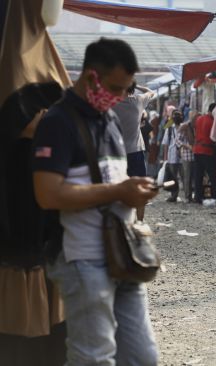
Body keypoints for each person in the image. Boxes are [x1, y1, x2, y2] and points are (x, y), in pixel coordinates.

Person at [31, 38, 159, 364]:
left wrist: (133, 189)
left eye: (127, 91)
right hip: (83, 258)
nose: (120, 98)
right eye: (116, 89)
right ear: (91, 78)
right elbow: (48, 194)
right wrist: (118, 192)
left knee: (142, 358)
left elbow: (108, 178)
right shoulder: (57, 123)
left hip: (123, 255)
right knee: (93, 358)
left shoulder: (110, 118)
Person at [0, 82, 66, 365]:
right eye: (38, 111)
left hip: (43, 255)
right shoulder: (14, 155)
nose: (43, 115)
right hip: (19, 257)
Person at [112, 83, 156, 220]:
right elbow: (151, 92)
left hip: (116, 153)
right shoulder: (138, 100)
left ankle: (121, 220)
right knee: (140, 188)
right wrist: (139, 86)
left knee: (118, 188)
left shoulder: (111, 103)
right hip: (135, 152)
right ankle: (140, 221)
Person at [193, 103, 216, 203]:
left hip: (197, 150)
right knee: (213, 175)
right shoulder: (212, 121)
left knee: (198, 175)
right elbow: (213, 138)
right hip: (207, 151)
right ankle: (215, 195)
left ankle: (198, 197)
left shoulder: (199, 119)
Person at [162, 110, 186, 203]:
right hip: (172, 156)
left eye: (179, 115)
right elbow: (165, 143)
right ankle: (174, 195)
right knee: (173, 177)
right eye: (176, 115)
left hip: (183, 155)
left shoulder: (184, 127)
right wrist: (165, 158)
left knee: (185, 176)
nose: (178, 117)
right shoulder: (169, 128)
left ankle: (187, 196)